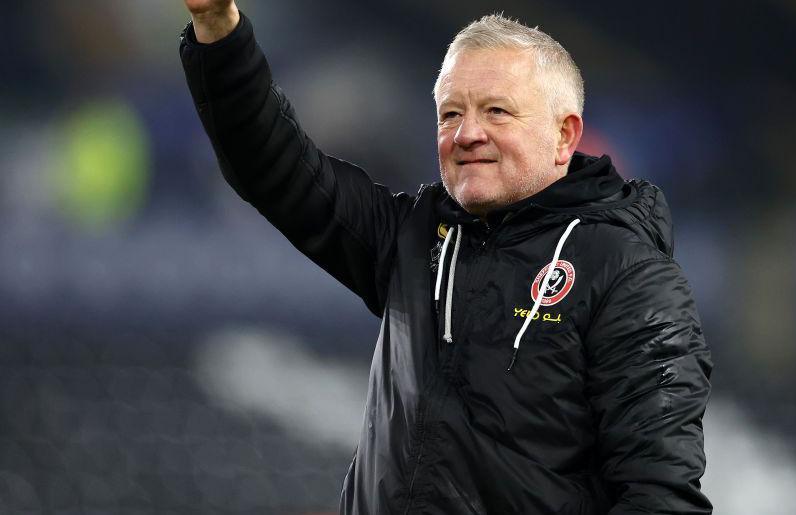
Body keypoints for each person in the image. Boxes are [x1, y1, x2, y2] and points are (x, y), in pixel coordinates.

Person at [179, 1, 713, 513]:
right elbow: (275, 167)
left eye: (496, 111)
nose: (467, 134)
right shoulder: (416, 238)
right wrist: (219, 29)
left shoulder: (627, 274)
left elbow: (660, 494)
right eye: (450, 113)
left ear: (564, 135)